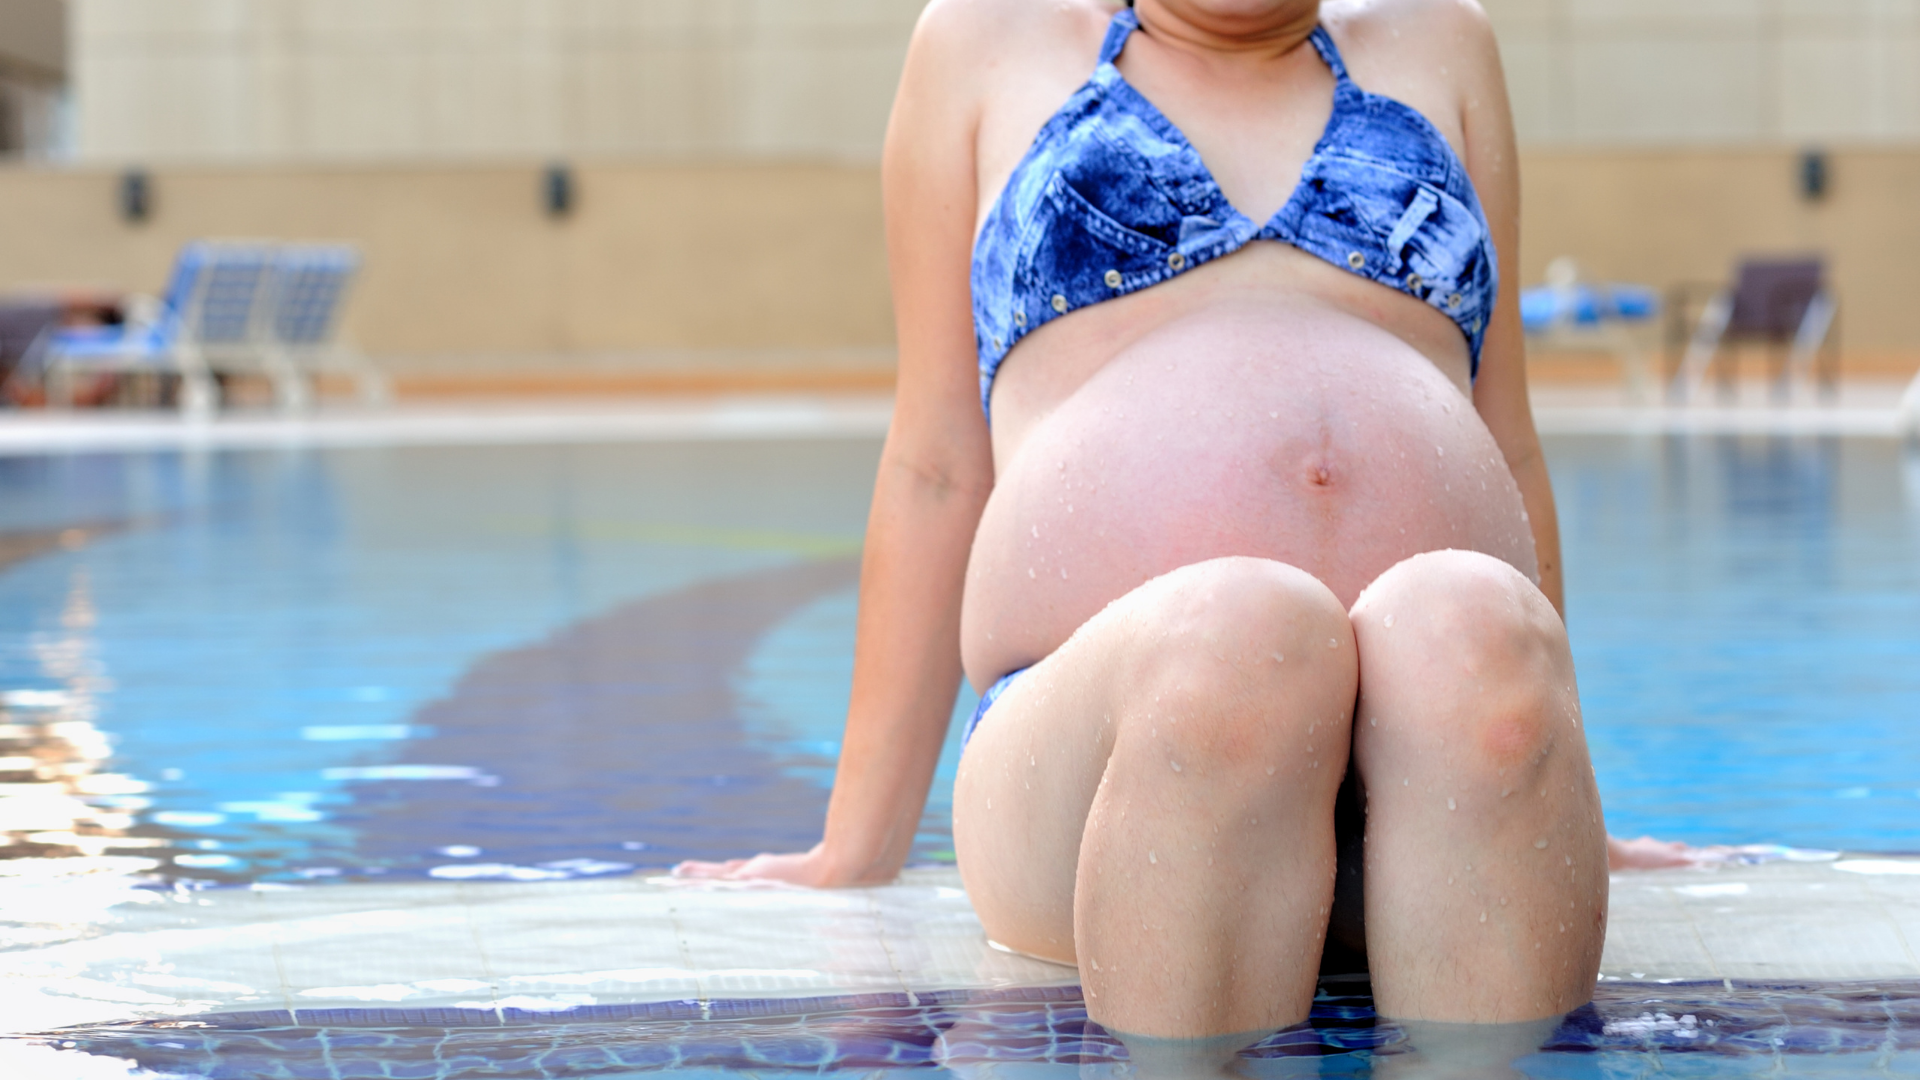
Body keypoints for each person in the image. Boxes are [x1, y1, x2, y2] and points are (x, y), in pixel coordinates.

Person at [678, 0, 1614, 1045]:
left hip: (1431, 763)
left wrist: (1545, 763)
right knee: (1239, 640)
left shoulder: (1444, 39)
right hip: (1094, 753)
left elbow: (1504, 439)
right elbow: (937, 464)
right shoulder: (984, 41)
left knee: (1476, 625)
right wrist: (856, 840)